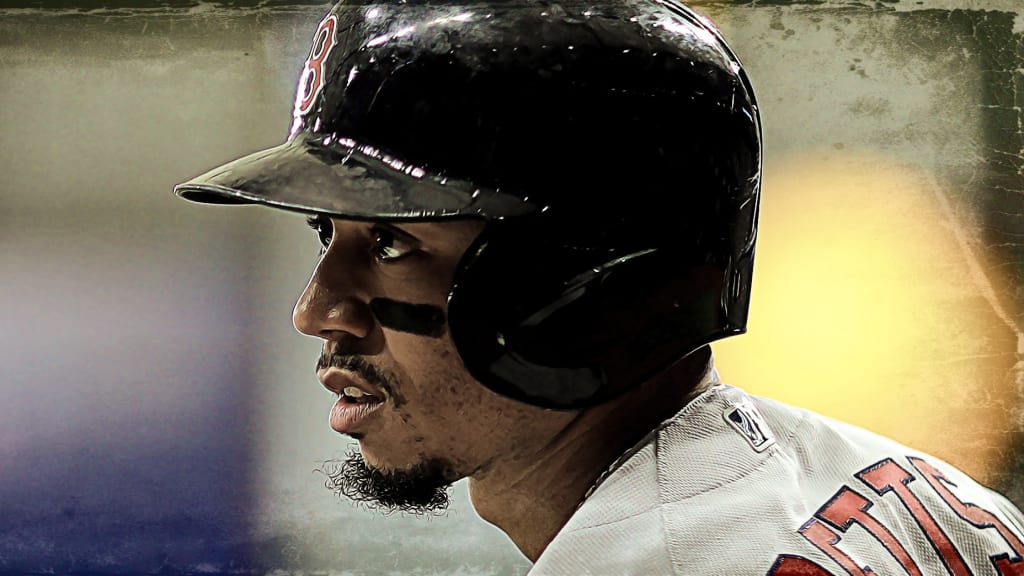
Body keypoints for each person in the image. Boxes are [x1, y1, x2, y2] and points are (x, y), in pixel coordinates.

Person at [174, 0, 1024, 573]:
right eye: (327, 236)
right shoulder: (912, 489)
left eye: (392, 243)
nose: (316, 311)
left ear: (579, 280)